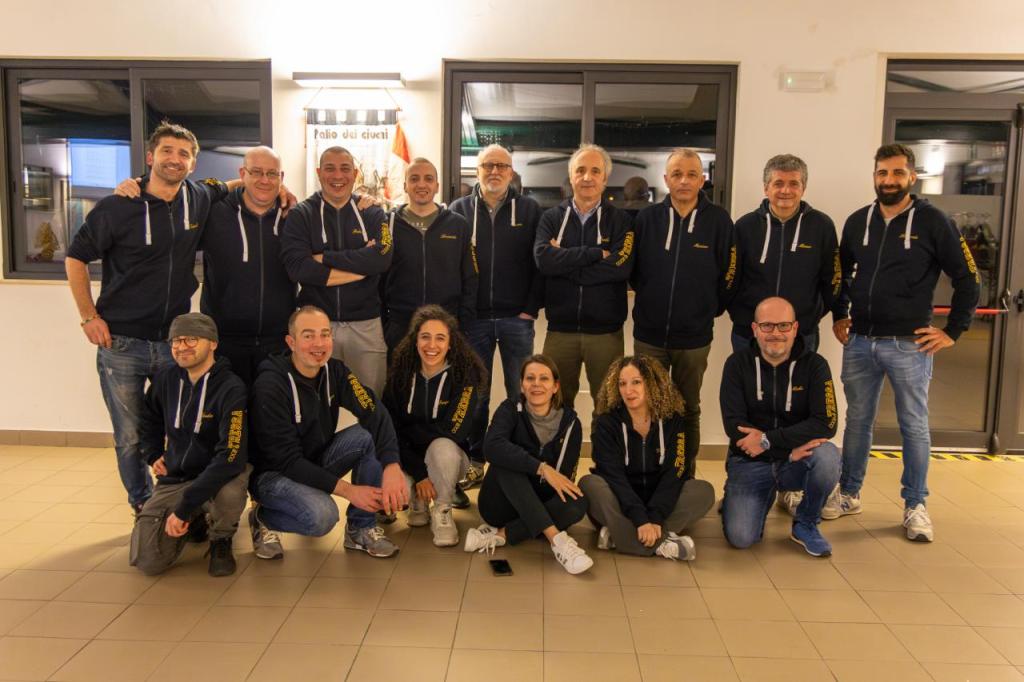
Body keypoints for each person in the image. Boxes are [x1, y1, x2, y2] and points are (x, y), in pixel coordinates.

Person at [66, 122, 230, 513]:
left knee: (181, 428)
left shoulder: (198, 196)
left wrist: (281, 189)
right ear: (151, 157)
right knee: (130, 435)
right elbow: (75, 257)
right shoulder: (118, 205)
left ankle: (177, 503)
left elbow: (234, 184)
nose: (175, 159)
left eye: (184, 154)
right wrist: (88, 317)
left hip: (174, 344)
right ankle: (143, 506)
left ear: (192, 163)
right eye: (167, 151)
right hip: (121, 343)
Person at [827, 143, 980, 542]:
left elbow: (968, 278)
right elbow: (840, 275)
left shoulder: (934, 221)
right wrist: (840, 313)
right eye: (882, 173)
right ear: (874, 176)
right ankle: (849, 493)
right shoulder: (858, 221)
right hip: (861, 342)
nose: (889, 180)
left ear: (912, 176)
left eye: (897, 173)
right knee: (858, 421)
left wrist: (953, 331)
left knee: (913, 424)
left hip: (910, 344)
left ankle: (915, 505)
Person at [247, 306, 406, 559]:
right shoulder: (270, 385)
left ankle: (360, 528)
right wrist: (349, 490)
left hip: (314, 460)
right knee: (322, 516)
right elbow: (286, 460)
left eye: (324, 334)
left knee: (368, 436)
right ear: (291, 342)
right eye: (308, 335)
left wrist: (392, 465)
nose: (318, 343)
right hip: (274, 475)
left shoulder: (336, 371)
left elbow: (373, 411)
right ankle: (262, 518)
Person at [632, 148, 735, 485]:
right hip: (649, 335)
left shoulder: (718, 221)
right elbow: (634, 271)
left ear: (702, 180)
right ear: (666, 179)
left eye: (691, 174)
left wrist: (708, 309)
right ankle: (650, 472)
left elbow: (730, 273)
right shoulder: (647, 219)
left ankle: (684, 475)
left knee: (688, 407)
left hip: (694, 337)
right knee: (648, 406)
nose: (684, 181)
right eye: (677, 174)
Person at [449, 144, 543, 493]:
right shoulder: (459, 210)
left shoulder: (530, 210)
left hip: (517, 319)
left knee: (523, 393)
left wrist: (530, 308)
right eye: (488, 165)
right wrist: (462, 314)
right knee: (475, 396)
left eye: (501, 165)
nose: (494, 171)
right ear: (477, 170)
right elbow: (452, 266)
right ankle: (474, 462)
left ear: (511, 171)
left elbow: (540, 264)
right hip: (474, 322)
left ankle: (518, 462)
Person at [720, 297, 841, 557]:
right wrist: (784, 450)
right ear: (755, 329)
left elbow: (827, 423)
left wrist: (768, 441)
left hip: (795, 460)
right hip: (750, 462)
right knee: (741, 537)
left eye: (783, 325)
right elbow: (734, 425)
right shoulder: (737, 364)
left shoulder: (815, 365)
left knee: (828, 457)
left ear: (795, 328)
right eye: (767, 326)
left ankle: (806, 523)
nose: (776, 333)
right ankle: (761, 495)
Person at [131, 313, 249, 577]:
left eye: (192, 339)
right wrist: (152, 453)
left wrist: (182, 508)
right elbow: (149, 419)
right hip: (178, 475)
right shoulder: (165, 379)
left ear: (213, 343)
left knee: (230, 492)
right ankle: (197, 518)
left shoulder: (231, 387)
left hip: (221, 473)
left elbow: (231, 456)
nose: (182, 347)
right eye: (176, 340)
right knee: (148, 562)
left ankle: (221, 538)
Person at [280, 146, 392, 396]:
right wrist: (362, 268)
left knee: (370, 400)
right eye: (330, 169)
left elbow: (382, 258)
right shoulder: (301, 214)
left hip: (366, 325)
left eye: (345, 169)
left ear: (355, 174)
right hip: (317, 326)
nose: (337, 176)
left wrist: (325, 258)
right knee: (317, 400)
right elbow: (299, 268)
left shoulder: (373, 213)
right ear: (319, 172)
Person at [580, 356, 715, 561]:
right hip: (620, 500)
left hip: (658, 501)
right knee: (589, 485)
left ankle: (621, 536)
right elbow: (613, 476)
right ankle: (661, 543)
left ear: (652, 383)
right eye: (622, 384)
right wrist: (640, 519)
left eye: (636, 382)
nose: (628, 390)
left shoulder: (673, 421)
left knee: (703, 491)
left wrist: (655, 517)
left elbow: (675, 473)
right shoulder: (606, 422)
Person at [469, 354, 593, 575]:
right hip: (500, 505)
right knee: (506, 461)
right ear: (522, 385)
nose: (536, 384)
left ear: (555, 387)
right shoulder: (509, 409)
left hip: (541, 503)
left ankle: (501, 535)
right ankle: (558, 541)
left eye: (544, 378)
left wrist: (544, 487)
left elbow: (563, 480)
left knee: (578, 501)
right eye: (530, 378)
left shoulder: (571, 424)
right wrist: (541, 468)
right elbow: (492, 447)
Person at [534, 143, 634, 413]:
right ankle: (562, 445)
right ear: (571, 176)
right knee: (554, 406)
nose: (587, 177)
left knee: (609, 407)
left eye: (595, 171)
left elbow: (620, 268)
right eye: (580, 170)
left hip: (606, 333)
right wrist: (595, 254)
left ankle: (605, 446)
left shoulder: (621, 221)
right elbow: (544, 261)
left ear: (605, 178)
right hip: (560, 331)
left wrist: (564, 262)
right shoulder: (551, 218)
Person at [383, 305, 487, 547]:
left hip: (449, 459)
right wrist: (420, 473)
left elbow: (454, 431)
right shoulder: (400, 376)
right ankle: (417, 501)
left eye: (440, 338)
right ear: (415, 341)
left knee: (442, 446)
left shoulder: (464, 377)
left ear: (450, 343)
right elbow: (390, 431)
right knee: (391, 486)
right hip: (408, 460)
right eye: (425, 337)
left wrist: (410, 435)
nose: (432, 345)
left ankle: (442, 508)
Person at [199, 146, 294, 387]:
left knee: (271, 408)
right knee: (231, 408)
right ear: (242, 174)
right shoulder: (214, 213)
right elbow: (184, 194)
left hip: (278, 342)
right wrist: (139, 184)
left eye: (272, 174)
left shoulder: (293, 217)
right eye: (256, 172)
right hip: (224, 341)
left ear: (281, 178)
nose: (265, 180)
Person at [729, 154, 840, 353]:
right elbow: (731, 277)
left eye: (794, 184)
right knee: (749, 376)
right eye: (778, 183)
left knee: (798, 376)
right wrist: (742, 315)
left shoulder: (822, 226)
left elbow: (832, 278)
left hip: (802, 334)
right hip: (749, 333)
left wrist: (810, 316)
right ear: (766, 188)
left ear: (803, 188)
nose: (786, 191)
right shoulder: (745, 226)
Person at [382, 158, 478, 352]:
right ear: (405, 186)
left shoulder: (458, 225)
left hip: (445, 325)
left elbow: (470, 277)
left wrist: (462, 324)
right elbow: (378, 276)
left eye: (428, 179)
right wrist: (386, 323)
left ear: (437, 186)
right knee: (401, 372)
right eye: (414, 179)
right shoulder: (387, 224)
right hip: (400, 325)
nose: (421, 184)